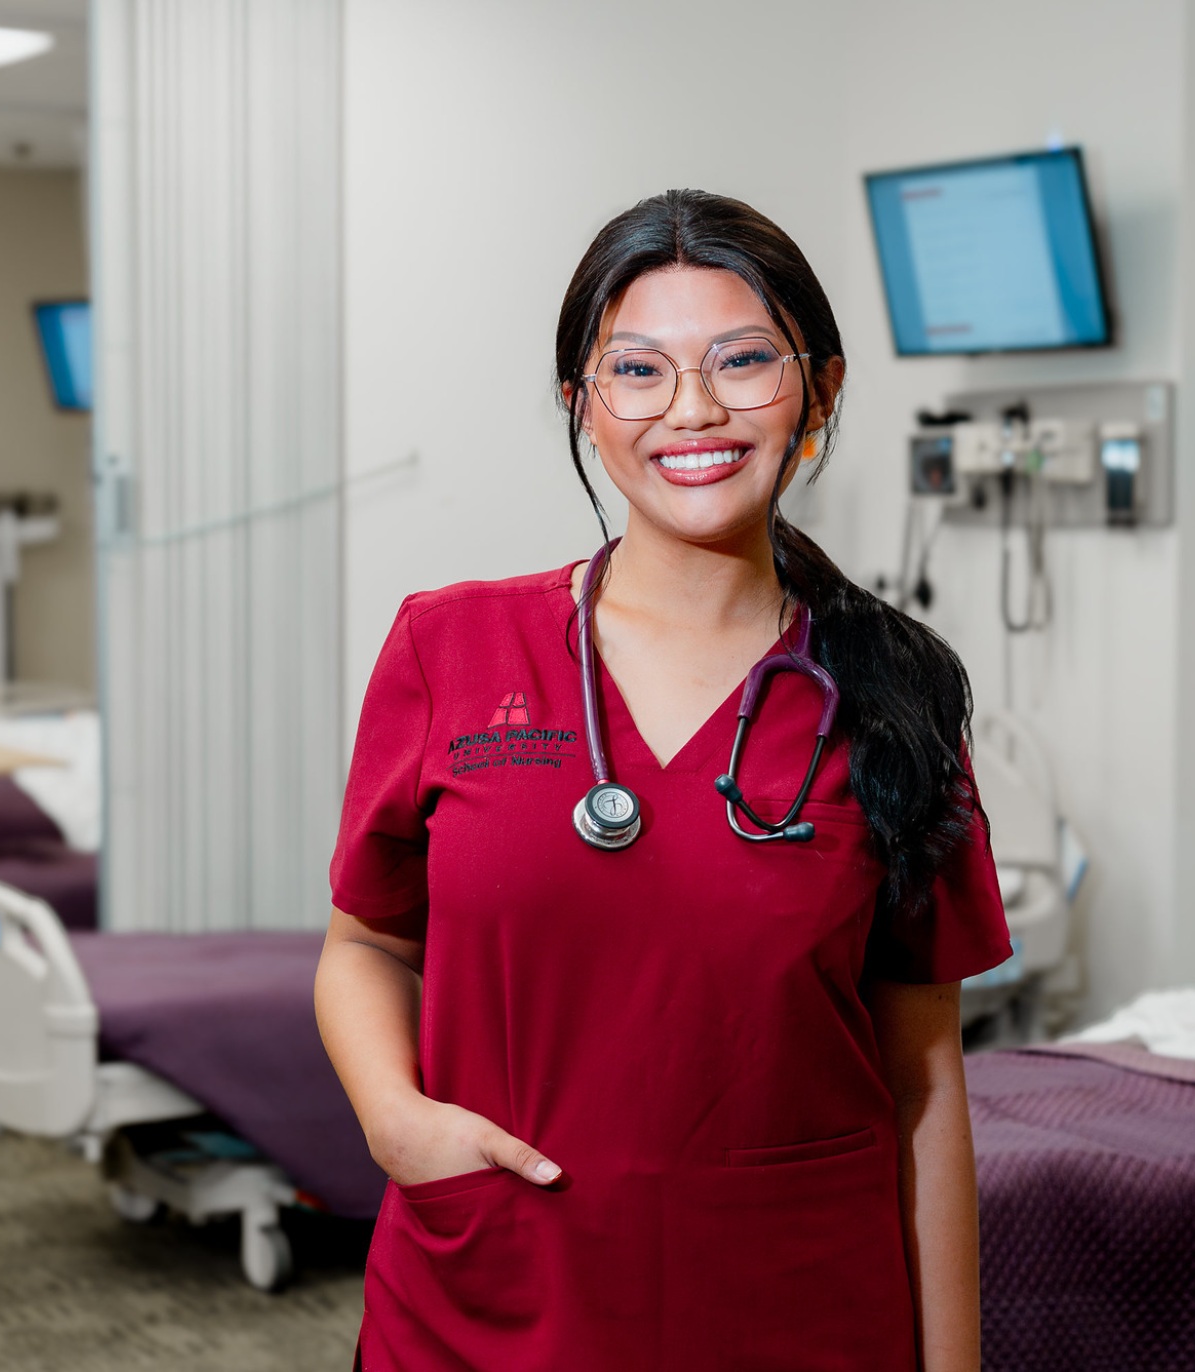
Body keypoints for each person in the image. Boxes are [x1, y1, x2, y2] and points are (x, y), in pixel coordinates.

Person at [315, 188, 1011, 1372]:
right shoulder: (451, 647)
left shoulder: (894, 693)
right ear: (582, 404)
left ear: (821, 388)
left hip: (791, 1308)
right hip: (490, 1298)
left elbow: (923, 1076)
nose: (693, 409)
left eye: (744, 361)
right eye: (637, 370)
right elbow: (368, 943)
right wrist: (394, 1119)